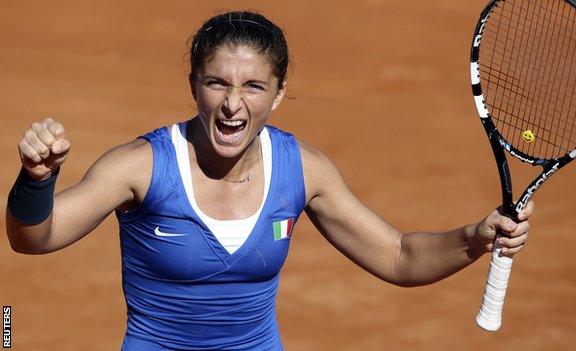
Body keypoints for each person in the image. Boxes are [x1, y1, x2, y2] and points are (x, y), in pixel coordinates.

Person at [6, 11, 532, 351]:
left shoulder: (304, 170)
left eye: (254, 86)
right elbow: (34, 238)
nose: (234, 104)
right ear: (194, 86)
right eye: (217, 83)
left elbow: (398, 256)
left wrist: (473, 239)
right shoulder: (141, 166)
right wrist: (37, 180)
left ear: (279, 94)